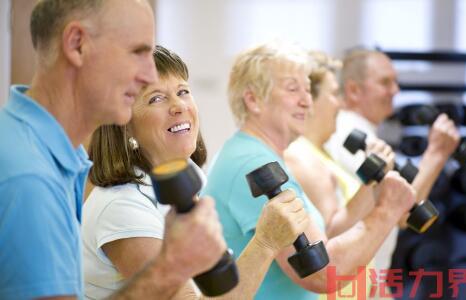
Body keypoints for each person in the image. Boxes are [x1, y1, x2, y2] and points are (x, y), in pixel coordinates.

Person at [0, 1, 224, 299]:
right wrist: (171, 266)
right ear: (77, 45)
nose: (147, 75)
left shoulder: (55, 155)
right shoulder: (28, 176)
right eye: (137, 52)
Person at [83, 45, 310, 299]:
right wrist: (265, 243)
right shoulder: (121, 206)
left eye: (183, 92)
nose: (179, 106)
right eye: (156, 98)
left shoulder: (190, 176)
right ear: (124, 126)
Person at [202, 41, 416, 300]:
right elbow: (321, 272)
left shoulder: (259, 156)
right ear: (253, 100)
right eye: (293, 89)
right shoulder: (253, 164)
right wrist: (387, 211)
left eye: (307, 90)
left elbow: (325, 240)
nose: (306, 101)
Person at [325, 49, 461, 275]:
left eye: (395, 82)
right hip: (353, 280)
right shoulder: (350, 134)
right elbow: (402, 211)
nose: (395, 90)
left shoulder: (362, 134)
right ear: (353, 90)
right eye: (385, 82)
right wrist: (436, 154)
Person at [284, 51, 400, 300]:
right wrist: (375, 178)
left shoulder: (324, 154)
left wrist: (376, 287)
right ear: (311, 101)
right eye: (334, 93)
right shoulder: (302, 156)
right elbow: (331, 239)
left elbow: (356, 230)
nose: (340, 103)